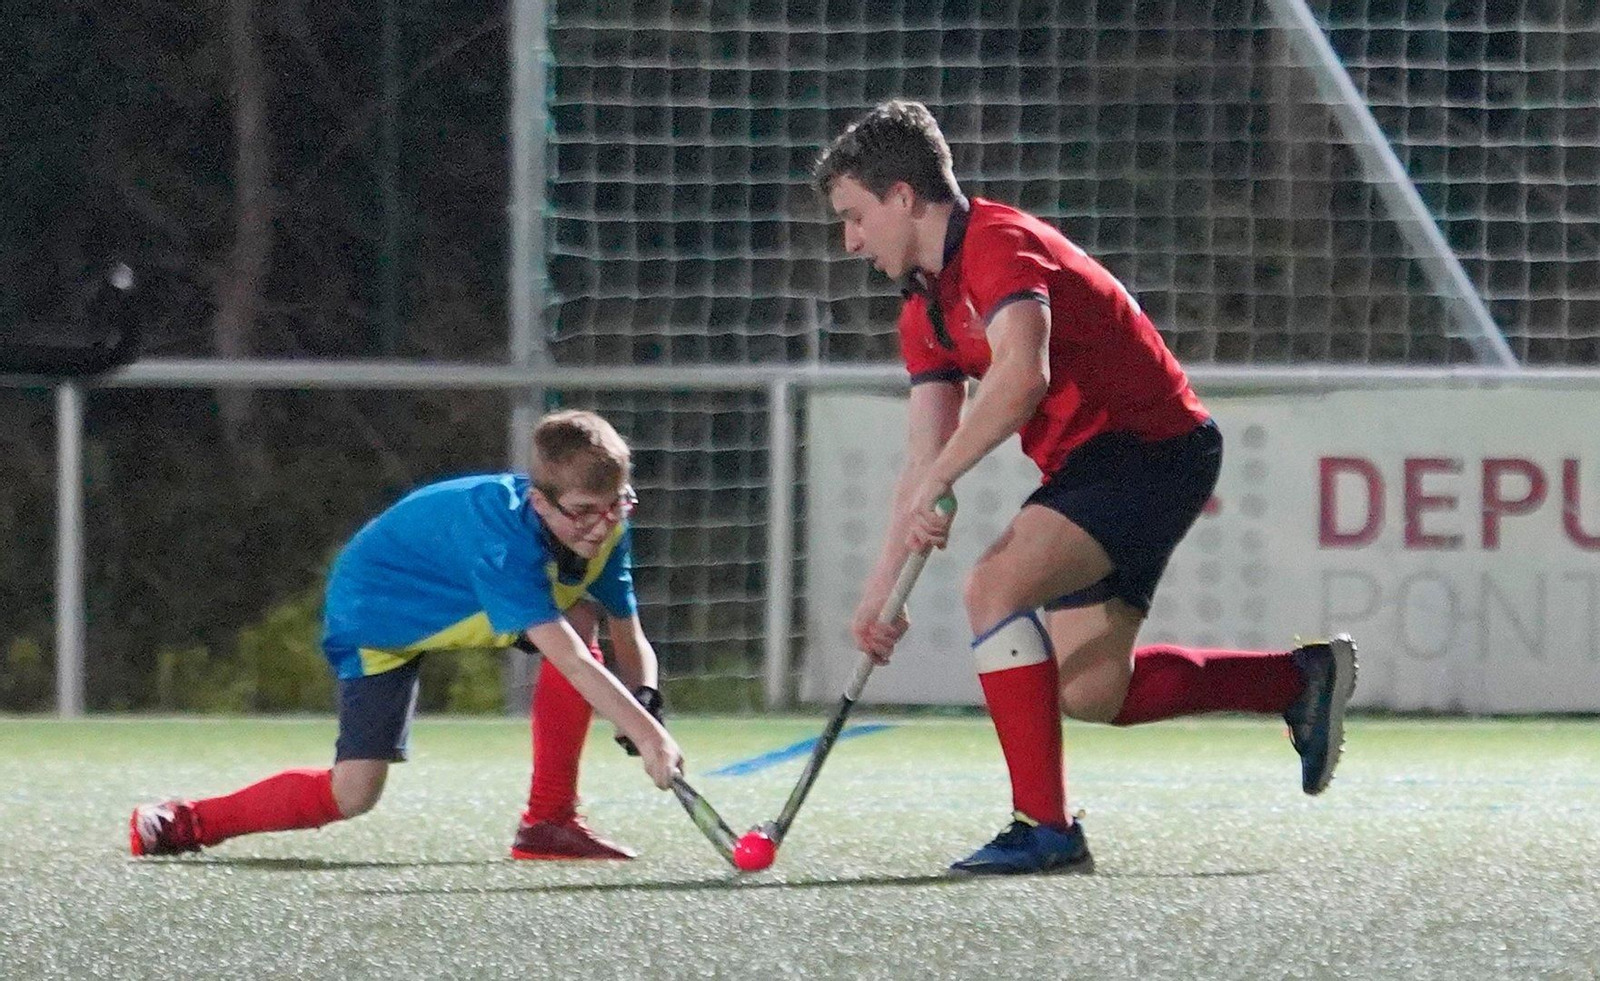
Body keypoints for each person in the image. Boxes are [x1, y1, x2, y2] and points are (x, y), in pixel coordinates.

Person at [814, 100, 1358, 875]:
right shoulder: (923, 312)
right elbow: (922, 456)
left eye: (856, 216)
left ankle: (1045, 828)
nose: (852, 240)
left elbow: (1019, 380)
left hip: (1150, 446)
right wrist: (879, 594)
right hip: (1094, 465)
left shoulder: (1000, 245)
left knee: (992, 586)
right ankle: (1298, 679)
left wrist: (943, 478)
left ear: (903, 196)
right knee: (1095, 690)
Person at [130, 409, 682, 860]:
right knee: (353, 795)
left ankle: (549, 823)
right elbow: (574, 664)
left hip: (465, 600)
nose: (602, 525)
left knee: (582, 615)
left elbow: (626, 634)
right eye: (585, 512)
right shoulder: (502, 540)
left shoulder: (605, 528)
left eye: (617, 506)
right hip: (380, 612)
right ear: (540, 502)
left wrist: (646, 701)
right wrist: (650, 737)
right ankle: (186, 822)